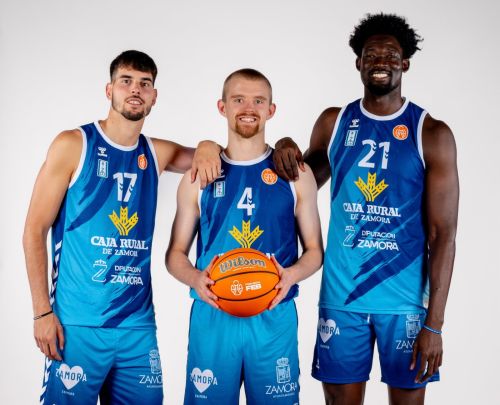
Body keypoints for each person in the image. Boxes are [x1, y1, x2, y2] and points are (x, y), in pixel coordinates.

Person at [273, 13, 459, 405]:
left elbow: (443, 234)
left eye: (390, 55)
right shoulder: (335, 122)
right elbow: (301, 183)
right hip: (342, 299)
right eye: (371, 55)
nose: (381, 62)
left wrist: (435, 324)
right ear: (359, 63)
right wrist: (285, 145)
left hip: (405, 304)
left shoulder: (431, 132)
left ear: (405, 64)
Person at [23, 50, 222, 404]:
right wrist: (42, 312)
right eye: (126, 81)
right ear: (109, 90)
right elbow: (33, 231)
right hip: (76, 325)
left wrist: (208, 144)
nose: (135, 89)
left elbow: (218, 158)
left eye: (145, 84)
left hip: (137, 327)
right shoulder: (74, 144)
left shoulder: (157, 152)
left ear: (154, 96)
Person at [165, 68, 323, 404]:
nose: (249, 108)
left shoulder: (296, 174)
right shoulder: (198, 176)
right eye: (238, 100)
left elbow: (314, 251)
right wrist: (195, 279)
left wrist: (291, 275)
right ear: (222, 107)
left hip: (273, 310)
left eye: (258, 101)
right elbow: (175, 254)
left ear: (271, 110)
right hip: (214, 312)